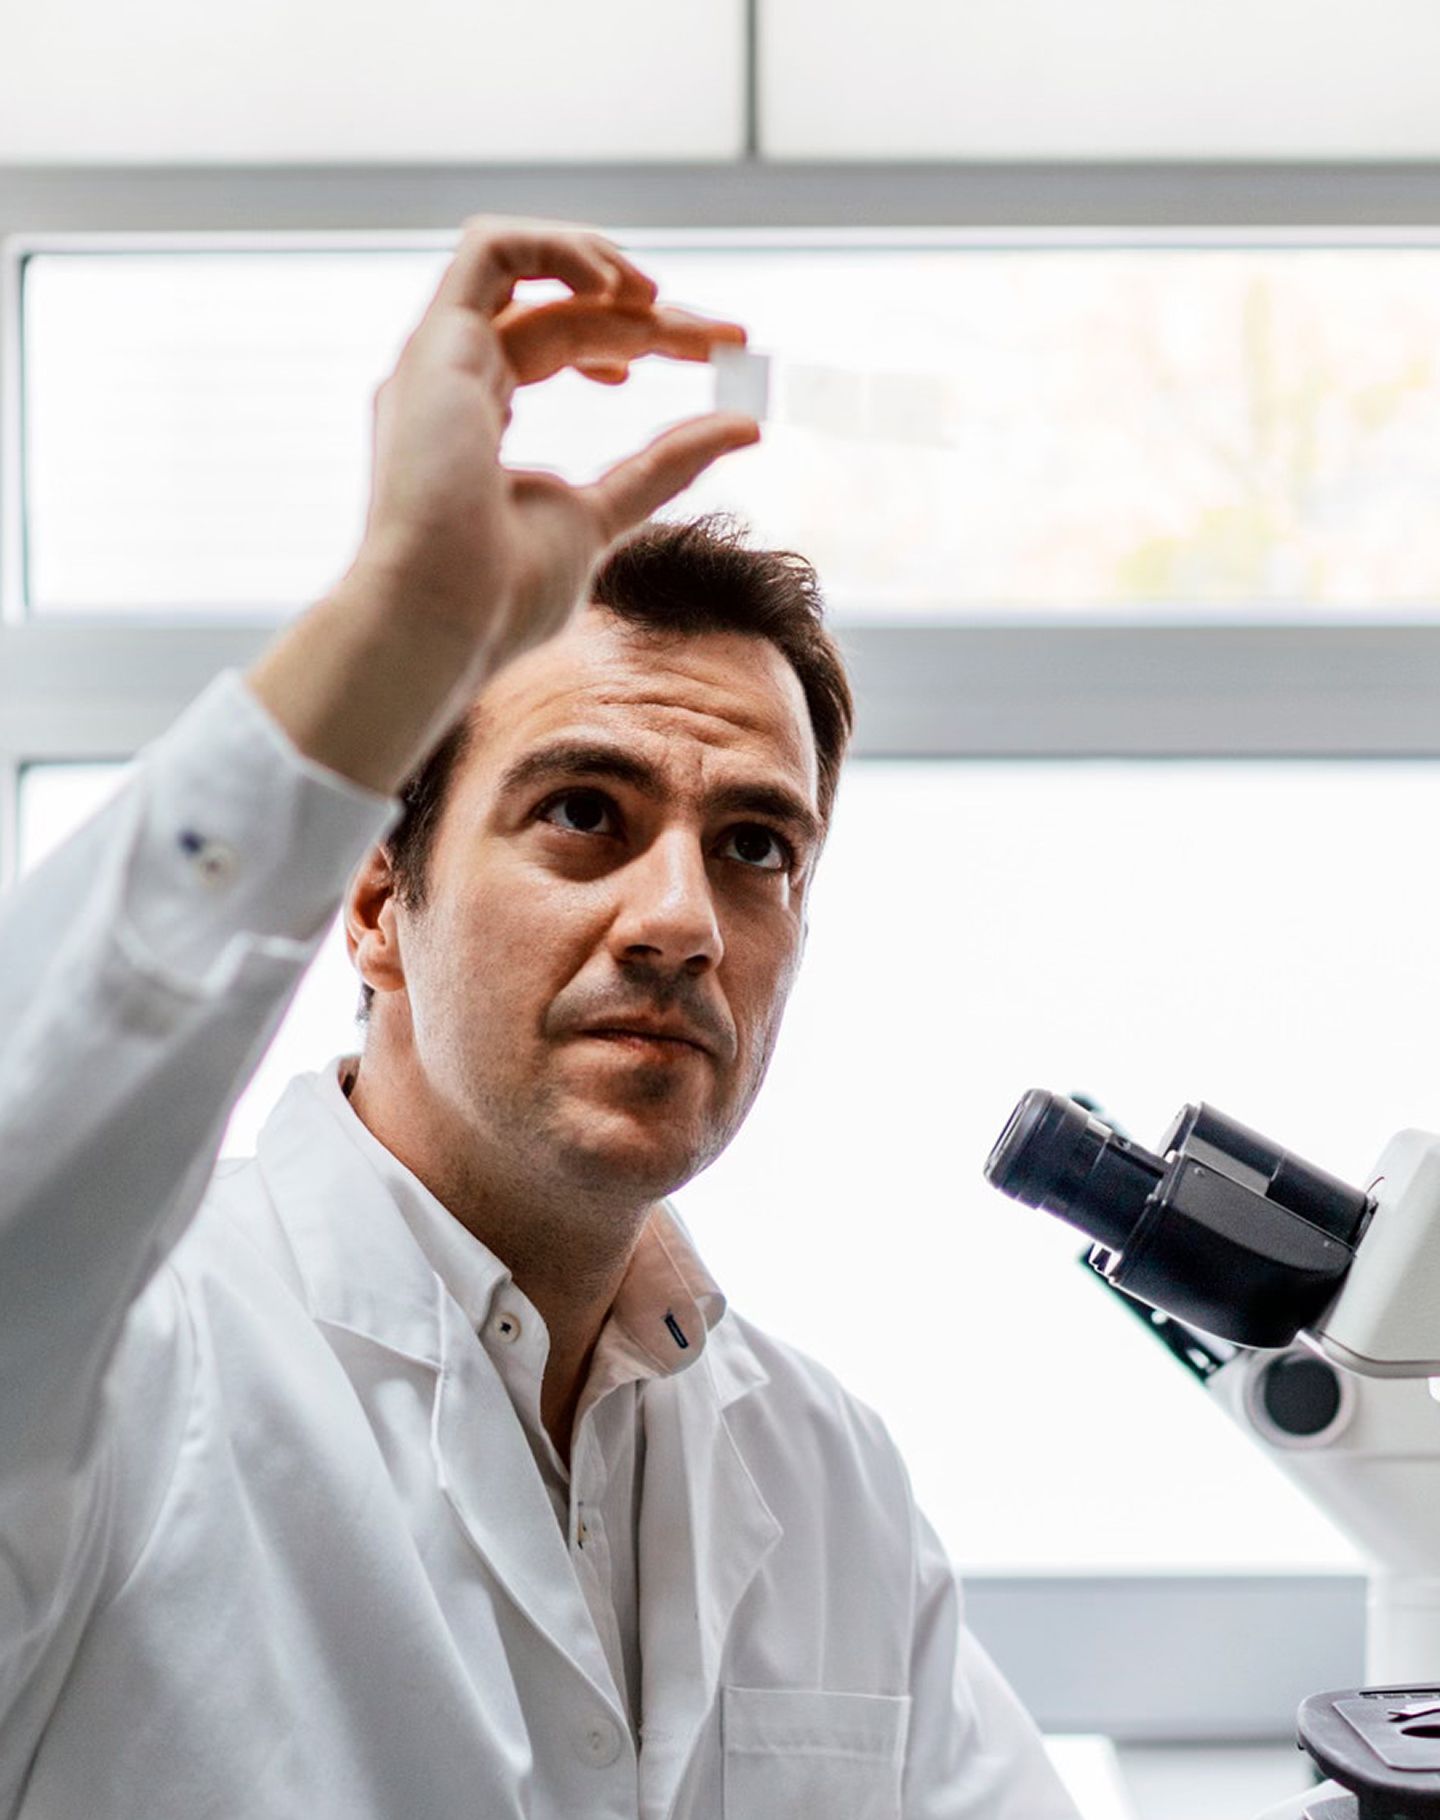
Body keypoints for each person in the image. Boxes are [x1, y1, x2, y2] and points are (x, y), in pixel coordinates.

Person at [0, 218, 1078, 1818]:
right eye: (583, 812)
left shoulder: (825, 1476)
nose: (682, 921)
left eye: (756, 847)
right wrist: (397, 626)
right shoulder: (131, 1376)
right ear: (377, 902)